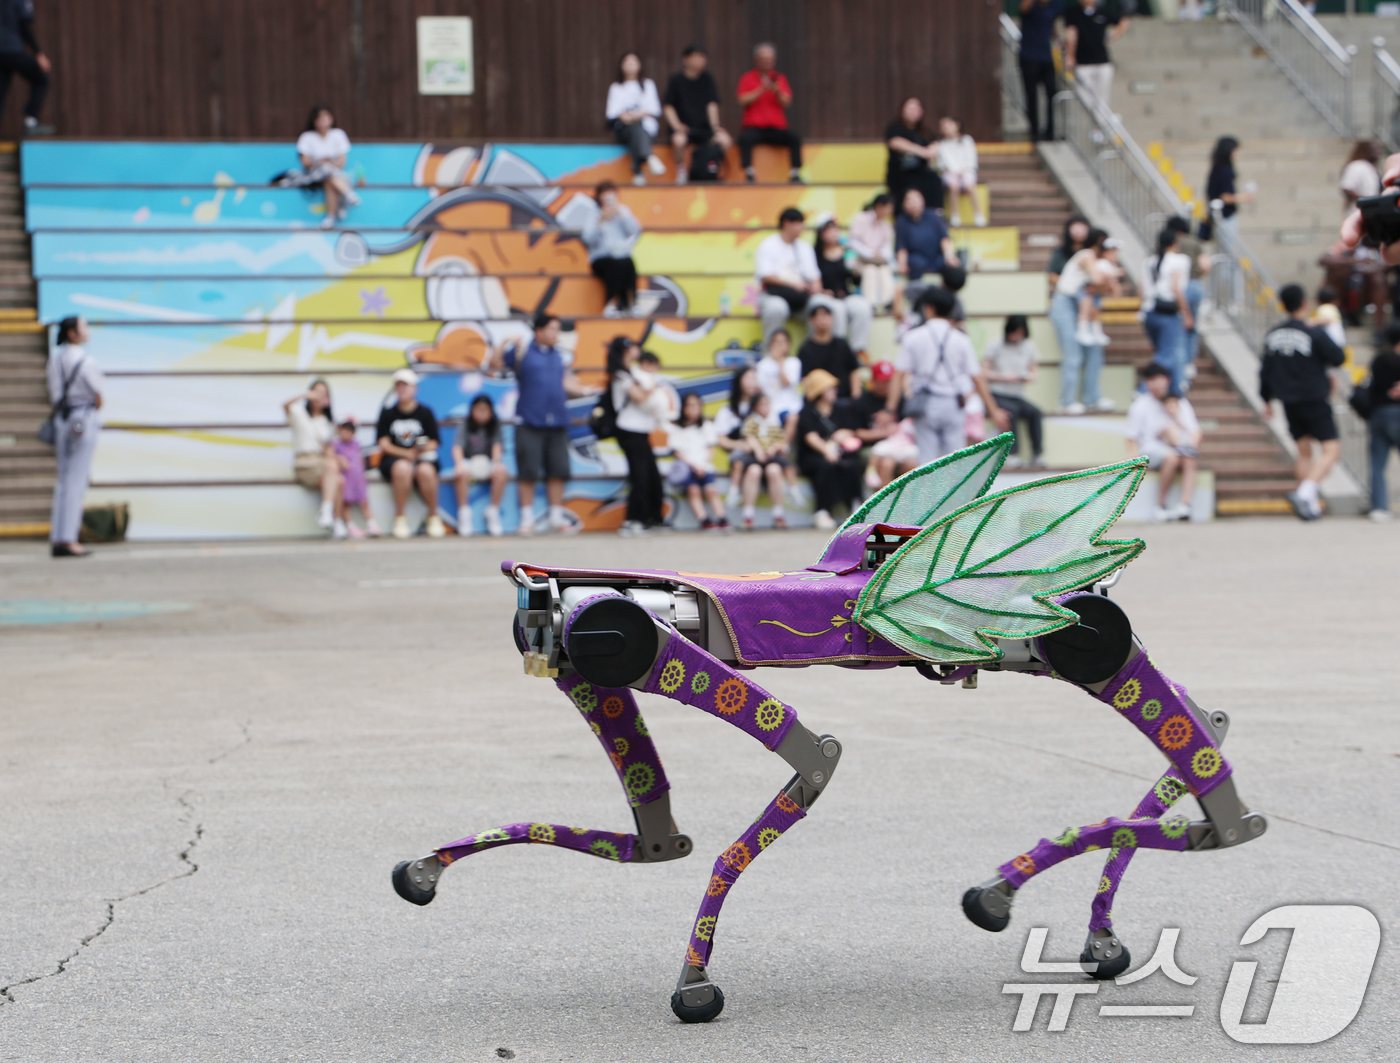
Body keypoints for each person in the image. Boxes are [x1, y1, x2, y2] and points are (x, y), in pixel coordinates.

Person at [489, 314, 597, 536]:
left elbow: (564, 383)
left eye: (558, 329)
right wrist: (505, 342)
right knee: (528, 472)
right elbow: (494, 365)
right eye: (552, 329)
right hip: (530, 420)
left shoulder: (558, 355)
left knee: (558, 471)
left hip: (558, 421)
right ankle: (526, 519)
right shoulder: (522, 351)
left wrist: (587, 391)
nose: (556, 334)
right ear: (538, 331)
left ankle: (555, 518)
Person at [891, 287, 1008, 463]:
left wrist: (889, 409)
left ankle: (929, 483)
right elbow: (977, 378)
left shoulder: (913, 337)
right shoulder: (961, 339)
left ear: (929, 308)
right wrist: (994, 410)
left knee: (927, 460)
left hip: (925, 404)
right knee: (954, 461)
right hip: (953, 404)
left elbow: (898, 374)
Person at [1260, 284, 1346, 521]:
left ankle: (1310, 507)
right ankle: (1304, 492)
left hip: (1288, 401)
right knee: (1331, 450)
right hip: (1313, 398)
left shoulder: (1273, 334)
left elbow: (1265, 370)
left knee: (1304, 452)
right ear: (1304, 303)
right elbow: (1338, 357)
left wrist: (1266, 399)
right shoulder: (1312, 331)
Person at [45, 316, 101, 557]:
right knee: (77, 479)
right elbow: (99, 395)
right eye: (84, 327)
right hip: (83, 418)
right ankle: (69, 539)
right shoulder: (86, 361)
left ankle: (58, 536)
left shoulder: (55, 361)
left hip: (62, 419)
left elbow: (53, 392)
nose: (87, 331)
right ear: (72, 333)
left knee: (63, 480)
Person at [1052, 228, 1119, 414]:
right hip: (1065, 305)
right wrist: (1110, 276)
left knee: (1095, 350)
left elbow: (1111, 291)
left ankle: (1092, 398)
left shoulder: (1101, 263)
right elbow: (1097, 280)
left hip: (1084, 307)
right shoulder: (1087, 255)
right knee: (1073, 355)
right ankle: (1066, 402)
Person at [755, 207, 843, 344]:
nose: (801, 228)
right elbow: (765, 276)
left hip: (801, 297)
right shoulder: (768, 244)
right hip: (774, 295)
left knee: (822, 306)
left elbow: (814, 276)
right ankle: (771, 353)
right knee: (776, 308)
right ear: (786, 223)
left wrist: (816, 288)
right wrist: (793, 283)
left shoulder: (804, 247)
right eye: (798, 224)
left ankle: (818, 351)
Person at [376, 368, 445, 540]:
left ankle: (433, 516)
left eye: (405, 386)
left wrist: (420, 450)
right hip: (395, 459)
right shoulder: (388, 413)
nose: (402, 389)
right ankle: (400, 517)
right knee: (402, 468)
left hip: (422, 458)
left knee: (426, 471)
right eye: (398, 386)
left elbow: (435, 441)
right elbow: (383, 443)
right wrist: (405, 453)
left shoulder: (425, 412)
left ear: (415, 388)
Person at [608, 336, 666, 536]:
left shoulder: (632, 372)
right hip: (629, 430)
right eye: (631, 347)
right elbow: (639, 397)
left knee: (651, 475)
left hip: (641, 431)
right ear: (625, 352)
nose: (636, 349)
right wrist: (653, 387)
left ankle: (653, 518)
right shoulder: (621, 375)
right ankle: (633, 520)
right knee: (639, 476)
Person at [1126, 363, 1199, 522]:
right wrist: (1132, 454)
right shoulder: (1140, 405)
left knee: (1189, 459)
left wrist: (1190, 446)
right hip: (1151, 449)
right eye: (1151, 380)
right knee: (1172, 457)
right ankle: (1160, 504)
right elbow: (1131, 435)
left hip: (1180, 446)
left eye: (1159, 379)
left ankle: (1185, 504)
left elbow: (1193, 429)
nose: (1156, 384)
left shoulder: (1180, 402)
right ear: (1146, 383)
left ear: (1167, 380)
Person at [797, 369, 864, 530]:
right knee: (825, 466)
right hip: (814, 455)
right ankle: (822, 510)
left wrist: (842, 434)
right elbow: (810, 437)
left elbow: (852, 429)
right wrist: (827, 450)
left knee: (852, 465)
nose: (835, 391)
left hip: (839, 452)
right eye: (830, 388)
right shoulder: (807, 411)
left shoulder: (841, 409)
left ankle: (856, 505)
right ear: (820, 391)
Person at [662, 45, 733, 185]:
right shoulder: (676, 80)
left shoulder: (707, 79)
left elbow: (712, 104)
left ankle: (708, 168)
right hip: (684, 128)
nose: (700, 61)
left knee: (725, 140)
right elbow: (668, 106)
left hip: (704, 128)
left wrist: (715, 126)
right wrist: (676, 125)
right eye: (696, 57)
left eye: (702, 58)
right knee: (679, 141)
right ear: (685, 59)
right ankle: (681, 170)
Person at [982, 315, 1045, 468]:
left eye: (1020, 333)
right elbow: (983, 372)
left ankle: (1038, 454)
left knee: (1035, 412)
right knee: (1012, 412)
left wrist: (1026, 377)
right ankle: (1012, 454)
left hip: (1017, 394)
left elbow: (1034, 372)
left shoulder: (1029, 346)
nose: (1017, 336)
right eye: (1015, 332)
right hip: (998, 393)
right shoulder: (996, 345)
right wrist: (1004, 377)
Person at [736, 43, 802, 184]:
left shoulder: (779, 78)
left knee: (794, 138)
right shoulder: (748, 78)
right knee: (745, 139)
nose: (767, 63)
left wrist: (776, 91)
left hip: (775, 127)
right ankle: (749, 173)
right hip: (754, 127)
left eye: (770, 60)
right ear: (757, 60)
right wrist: (761, 89)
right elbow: (742, 100)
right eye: (764, 60)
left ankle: (795, 173)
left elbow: (787, 102)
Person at [283, 378, 341, 534]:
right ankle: (333, 518)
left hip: (322, 462)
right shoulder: (299, 413)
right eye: (317, 392)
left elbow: (329, 449)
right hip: (305, 463)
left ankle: (333, 519)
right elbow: (285, 405)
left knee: (339, 480)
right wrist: (305, 395)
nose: (319, 396)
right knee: (333, 471)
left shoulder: (329, 422)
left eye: (324, 393)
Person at [1140, 227, 1194, 395]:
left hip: (1148, 312)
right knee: (1166, 355)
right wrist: (1187, 313)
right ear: (1175, 243)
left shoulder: (1149, 261)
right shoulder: (1179, 260)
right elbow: (1177, 289)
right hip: (1168, 313)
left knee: (1165, 352)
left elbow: (1141, 289)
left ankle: (1175, 389)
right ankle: (1143, 389)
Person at [812, 215, 874, 358]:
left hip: (845, 295)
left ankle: (857, 350)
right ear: (821, 234)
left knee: (863, 307)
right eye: (828, 230)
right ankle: (837, 351)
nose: (833, 233)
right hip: (826, 296)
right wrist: (822, 291)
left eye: (835, 229)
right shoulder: (815, 255)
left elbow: (855, 282)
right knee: (838, 310)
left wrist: (857, 272)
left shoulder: (847, 251)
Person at [668, 392, 728, 530]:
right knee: (693, 490)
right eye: (689, 405)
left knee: (711, 490)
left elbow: (711, 449)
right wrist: (693, 466)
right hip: (687, 469)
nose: (693, 409)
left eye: (696, 405)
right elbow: (677, 451)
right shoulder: (676, 428)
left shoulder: (706, 425)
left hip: (705, 467)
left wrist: (703, 465)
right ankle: (704, 520)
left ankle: (722, 518)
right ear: (683, 408)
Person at [450, 394, 508, 537]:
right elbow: (457, 447)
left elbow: (497, 446)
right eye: (478, 409)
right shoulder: (465, 424)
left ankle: (493, 510)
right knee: (461, 472)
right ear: (472, 410)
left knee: (501, 471)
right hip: (469, 461)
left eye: (485, 410)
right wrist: (459, 464)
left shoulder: (495, 425)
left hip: (487, 462)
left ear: (491, 411)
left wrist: (496, 463)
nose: (481, 413)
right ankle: (464, 513)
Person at [582, 181, 643, 317]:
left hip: (622, 256)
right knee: (614, 265)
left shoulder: (623, 211)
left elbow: (635, 231)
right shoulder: (593, 214)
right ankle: (611, 304)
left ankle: (632, 303)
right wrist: (601, 220)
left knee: (627, 263)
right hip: (601, 258)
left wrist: (622, 216)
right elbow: (588, 239)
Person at [296, 105, 362, 228]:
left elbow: (342, 162)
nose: (323, 121)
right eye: (320, 118)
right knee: (326, 169)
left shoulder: (338, 134)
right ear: (314, 120)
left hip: (332, 174)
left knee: (329, 180)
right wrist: (319, 162)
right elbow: (305, 162)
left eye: (326, 117)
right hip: (314, 174)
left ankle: (330, 218)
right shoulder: (307, 137)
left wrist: (330, 163)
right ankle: (347, 194)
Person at [606, 52, 666, 185]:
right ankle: (648, 156)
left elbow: (654, 109)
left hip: (645, 125)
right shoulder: (616, 87)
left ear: (639, 65)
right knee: (634, 129)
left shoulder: (647, 84)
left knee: (637, 130)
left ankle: (638, 172)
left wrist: (636, 115)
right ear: (622, 66)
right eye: (627, 63)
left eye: (633, 63)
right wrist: (626, 117)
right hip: (624, 127)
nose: (630, 66)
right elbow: (612, 113)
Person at [1063, 0, 1128, 113]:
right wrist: (1070, 55)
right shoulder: (1073, 12)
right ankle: (1101, 121)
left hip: (1102, 62)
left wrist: (1110, 37)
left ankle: (1101, 123)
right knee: (1085, 99)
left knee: (1102, 100)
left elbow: (1123, 22)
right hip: (1082, 63)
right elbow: (1071, 34)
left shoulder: (1103, 12)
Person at [738, 392, 790, 530]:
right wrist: (758, 450)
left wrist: (774, 448)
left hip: (770, 458)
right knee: (753, 471)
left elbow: (782, 442)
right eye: (762, 404)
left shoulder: (774, 422)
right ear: (755, 407)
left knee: (775, 470)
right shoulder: (751, 421)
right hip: (753, 459)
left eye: (768, 404)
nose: (766, 407)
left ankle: (778, 514)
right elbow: (748, 438)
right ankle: (748, 516)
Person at [1164, 215, 1210, 370]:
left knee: (1177, 325)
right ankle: (1189, 362)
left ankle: (1177, 360)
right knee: (1192, 325)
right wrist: (1196, 274)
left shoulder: (1170, 243)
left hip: (1175, 287)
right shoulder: (1194, 242)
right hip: (1194, 285)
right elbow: (1205, 265)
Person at [1365, 321, 1400, 522]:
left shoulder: (1379, 359)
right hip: (1397, 413)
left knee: (1377, 464)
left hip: (1378, 414)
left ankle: (1379, 507)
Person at [0, 0, 52, 136]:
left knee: (1, 91)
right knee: (41, 80)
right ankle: (31, 121)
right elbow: (25, 28)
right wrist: (38, 53)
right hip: (13, 50)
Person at [885, 98, 943, 218]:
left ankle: (935, 216)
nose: (913, 111)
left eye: (917, 108)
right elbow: (895, 143)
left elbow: (934, 145)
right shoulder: (895, 128)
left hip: (921, 172)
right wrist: (922, 151)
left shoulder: (925, 131)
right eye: (910, 108)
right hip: (901, 172)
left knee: (935, 180)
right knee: (907, 188)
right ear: (902, 110)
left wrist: (931, 150)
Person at [895, 188, 960, 296]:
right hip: (917, 257)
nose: (913, 203)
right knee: (915, 263)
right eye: (909, 200)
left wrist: (949, 256)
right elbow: (901, 246)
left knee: (953, 267)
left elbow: (944, 238)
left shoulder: (934, 216)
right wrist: (902, 264)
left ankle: (949, 297)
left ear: (922, 201)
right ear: (904, 204)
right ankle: (916, 297)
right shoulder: (901, 221)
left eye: (916, 199)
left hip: (936, 257)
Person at [1018, 0, 1063, 143]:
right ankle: (1034, 131)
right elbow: (1023, 8)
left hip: (1046, 57)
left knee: (1052, 92)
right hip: (1029, 57)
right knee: (1031, 95)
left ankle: (1050, 131)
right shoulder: (1031, 6)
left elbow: (1052, 25)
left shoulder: (1054, 6)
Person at [754, 327, 803, 456]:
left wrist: (780, 363)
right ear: (770, 344)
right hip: (769, 404)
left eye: (783, 342)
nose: (779, 346)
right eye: (776, 342)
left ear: (789, 345)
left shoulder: (794, 362)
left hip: (790, 405)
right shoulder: (763, 364)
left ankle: (782, 453)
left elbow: (788, 383)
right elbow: (760, 389)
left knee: (792, 418)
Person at [798, 303, 862, 399]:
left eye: (826, 315)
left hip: (845, 398)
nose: (823, 320)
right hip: (819, 401)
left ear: (833, 319)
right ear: (812, 320)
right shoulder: (806, 349)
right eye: (819, 316)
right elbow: (805, 379)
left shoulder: (842, 344)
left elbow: (854, 371)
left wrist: (856, 397)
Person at [849, 194, 897, 310]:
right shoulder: (861, 218)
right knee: (870, 270)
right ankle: (870, 304)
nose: (890, 211)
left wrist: (881, 254)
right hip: (861, 261)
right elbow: (854, 242)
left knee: (885, 270)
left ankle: (888, 302)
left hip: (879, 261)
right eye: (889, 208)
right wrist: (870, 253)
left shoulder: (886, 225)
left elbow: (887, 246)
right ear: (879, 206)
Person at [332, 416, 377, 539]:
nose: (346, 433)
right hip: (346, 478)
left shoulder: (357, 445)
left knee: (364, 501)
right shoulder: (336, 446)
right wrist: (339, 459)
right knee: (345, 503)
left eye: (349, 431)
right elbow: (330, 456)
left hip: (358, 479)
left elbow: (361, 460)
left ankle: (372, 524)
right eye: (344, 430)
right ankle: (350, 526)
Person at [937, 116, 984, 228]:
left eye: (949, 125)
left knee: (969, 186)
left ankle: (978, 214)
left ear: (957, 125)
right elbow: (941, 164)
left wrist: (964, 170)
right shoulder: (941, 144)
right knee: (953, 186)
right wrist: (954, 171)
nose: (946, 128)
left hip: (967, 171)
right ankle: (955, 215)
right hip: (950, 173)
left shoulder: (967, 140)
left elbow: (972, 159)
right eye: (943, 126)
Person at [1339, 140, 1382, 216]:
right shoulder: (1356, 165)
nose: (1377, 152)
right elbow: (1347, 187)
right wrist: (1364, 200)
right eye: (1374, 149)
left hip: (1372, 209)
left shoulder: (1371, 168)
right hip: (1358, 210)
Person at [1048, 215, 1090, 291]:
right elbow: (1051, 275)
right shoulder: (1061, 252)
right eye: (1076, 228)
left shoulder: (1091, 251)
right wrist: (1069, 285)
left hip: (1089, 291)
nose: (1079, 231)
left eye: (1082, 227)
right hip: (1067, 291)